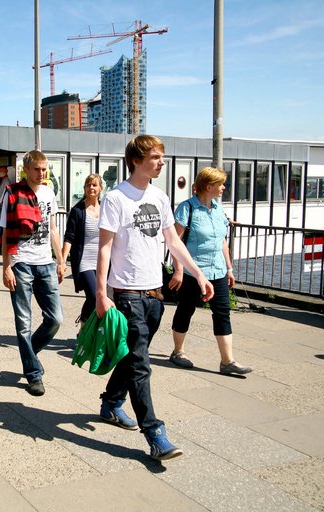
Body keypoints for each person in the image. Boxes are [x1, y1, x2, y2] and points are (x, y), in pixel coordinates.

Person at [95, 135, 215, 461]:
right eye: (156, 157)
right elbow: (104, 248)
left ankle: (111, 401)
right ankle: (156, 434)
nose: (162, 162)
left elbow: (174, 243)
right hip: (128, 295)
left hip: (155, 296)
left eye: (162, 157)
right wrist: (101, 294)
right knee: (141, 366)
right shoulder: (116, 199)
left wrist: (198, 273)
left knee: (133, 357)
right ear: (136, 160)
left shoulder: (160, 197)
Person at [168, 167, 254, 375]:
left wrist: (230, 268)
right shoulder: (187, 208)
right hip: (193, 271)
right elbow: (175, 242)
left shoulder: (217, 208)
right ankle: (178, 352)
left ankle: (227, 361)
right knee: (186, 309)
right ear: (209, 186)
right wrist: (178, 270)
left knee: (223, 313)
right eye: (221, 184)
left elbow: (222, 241)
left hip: (218, 271)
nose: (224, 188)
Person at [1, 150, 66, 396]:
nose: (42, 174)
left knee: (56, 318)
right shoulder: (13, 194)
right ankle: (33, 374)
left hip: (45, 263)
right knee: (23, 323)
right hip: (21, 263)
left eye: (44, 169)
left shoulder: (49, 193)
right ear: (26, 170)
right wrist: (6, 267)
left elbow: (52, 229)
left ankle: (30, 355)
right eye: (37, 169)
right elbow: (6, 234)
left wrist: (60, 259)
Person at [61, 174, 103, 332]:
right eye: (88, 185)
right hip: (85, 260)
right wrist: (63, 260)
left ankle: (93, 332)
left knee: (103, 297)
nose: (91, 188)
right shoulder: (78, 211)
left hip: (104, 261)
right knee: (93, 295)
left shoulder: (106, 208)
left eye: (94, 185)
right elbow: (69, 237)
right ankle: (83, 330)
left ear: (100, 189)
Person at [0, 167, 12, 245]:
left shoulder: (6, 181)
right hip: (2, 205)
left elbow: (4, 194)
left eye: (0, 172)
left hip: (4, 206)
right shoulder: (4, 181)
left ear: (4, 173)